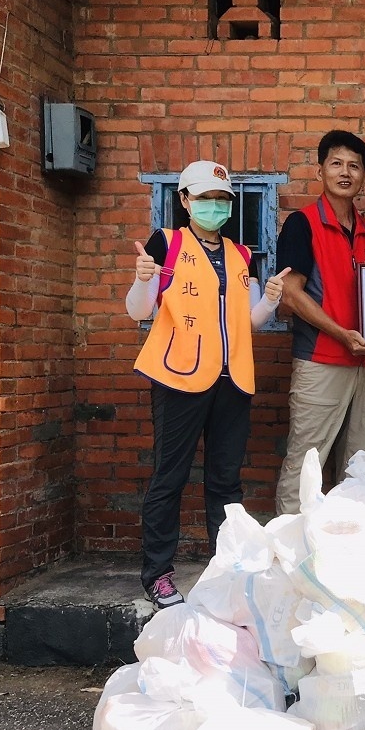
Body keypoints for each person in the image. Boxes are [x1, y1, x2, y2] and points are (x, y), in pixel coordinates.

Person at [127, 160, 284, 608]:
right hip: (179, 375)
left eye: (221, 199)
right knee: (169, 477)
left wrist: (269, 301)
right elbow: (138, 311)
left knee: (225, 482)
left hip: (232, 377)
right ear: (184, 200)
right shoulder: (166, 243)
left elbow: (249, 319)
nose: (214, 206)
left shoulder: (241, 254)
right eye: (204, 198)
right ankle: (158, 574)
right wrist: (142, 281)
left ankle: (226, 569)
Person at [273, 130, 365, 514]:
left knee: (359, 464)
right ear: (320, 169)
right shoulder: (302, 224)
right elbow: (290, 294)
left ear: (364, 175)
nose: (345, 172)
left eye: (354, 166)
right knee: (306, 463)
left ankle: (347, 551)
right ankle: (287, 553)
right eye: (336, 163)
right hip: (322, 360)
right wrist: (342, 334)